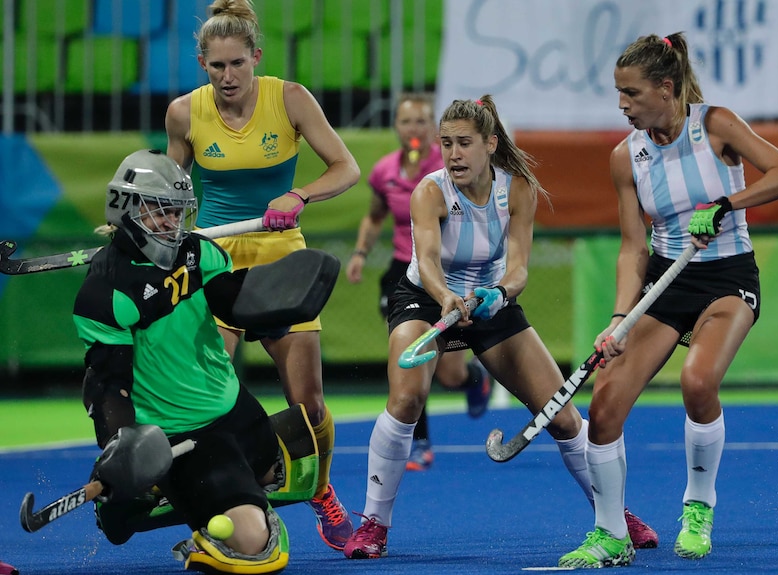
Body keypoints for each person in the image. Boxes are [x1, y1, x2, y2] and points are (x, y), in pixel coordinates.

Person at [342, 95, 657, 560]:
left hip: (492, 303)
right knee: (406, 399)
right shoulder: (429, 191)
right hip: (428, 301)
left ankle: (613, 514)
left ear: (490, 144)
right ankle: (374, 524)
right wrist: (447, 297)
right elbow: (425, 260)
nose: (453, 154)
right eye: (446, 143)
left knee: (563, 415)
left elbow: (519, 270)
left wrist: (500, 296)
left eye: (464, 143)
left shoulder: (519, 190)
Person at [558, 33, 778, 569]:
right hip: (664, 285)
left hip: (727, 275)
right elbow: (631, 246)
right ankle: (609, 534)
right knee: (603, 407)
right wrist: (620, 318)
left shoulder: (715, 124)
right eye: (618, 93)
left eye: (631, 93)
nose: (621, 105)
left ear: (665, 89)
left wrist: (725, 203)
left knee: (697, 381)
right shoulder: (626, 156)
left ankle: (698, 507)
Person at [165, 0, 361, 551]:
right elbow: (172, 192)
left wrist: (299, 194)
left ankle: (319, 491)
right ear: (202, 63)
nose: (228, 77)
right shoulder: (183, 112)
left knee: (309, 406)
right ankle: (211, 508)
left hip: (279, 261)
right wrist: (143, 223)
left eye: (237, 64)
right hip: (212, 261)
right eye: (216, 66)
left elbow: (346, 167)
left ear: (256, 56)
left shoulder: (290, 99)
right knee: (206, 403)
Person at [72, 149, 322, 574]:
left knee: (299, 462)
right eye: (161, 213)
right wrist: (122, 447)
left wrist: (275, 300)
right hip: (181, 433)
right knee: (253, 544)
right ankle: (145, 495)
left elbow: (231, 302)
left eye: (179, 213)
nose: (174, 225)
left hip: (234, 407)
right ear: (126, 209)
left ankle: (165, 491)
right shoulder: (104, 293)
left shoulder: (197, 252)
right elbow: (107, 384)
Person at [345, 92, 492, 472]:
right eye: (405, 122)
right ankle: (418, 442)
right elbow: (375, 216)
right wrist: (360, 253)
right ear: (396, 127)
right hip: (403, 274)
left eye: (420, 122)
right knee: (410, 358)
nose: (413, 129)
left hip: (451, 273)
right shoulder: (384, 171)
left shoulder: (449, 166)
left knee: (450, 372)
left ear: (432, 128)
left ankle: (474, 379)